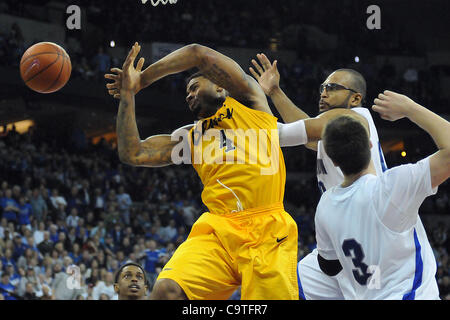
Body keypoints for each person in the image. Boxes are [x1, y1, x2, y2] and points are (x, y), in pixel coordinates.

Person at [105, 42, 302, 300]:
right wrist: (128, 93)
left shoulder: (249, 101)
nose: (188, 95)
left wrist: (143, 79)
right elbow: (134, 153)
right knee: (168, 291)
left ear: (220, 86)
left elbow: (197, 53)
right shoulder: (190, 137)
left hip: (267, 230)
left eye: (194, 87)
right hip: (218, 229)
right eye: (186, 93)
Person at [250, 54, 387, 299]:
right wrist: (274, 92)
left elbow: (289, 133)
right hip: (339, 238)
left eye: (332, 88)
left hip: (368, 239)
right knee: (284, 290)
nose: (323, 93)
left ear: (355, 98)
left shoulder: (355, 118)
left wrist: (235, 119)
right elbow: (307, 130)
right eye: (322, 87)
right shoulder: (333, 129)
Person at [314, 91, 449, 299]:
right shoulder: (392, 187)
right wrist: (410, 108)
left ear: (332, 160)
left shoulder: (325, 205)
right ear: (370, 145)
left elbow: (329, 266)